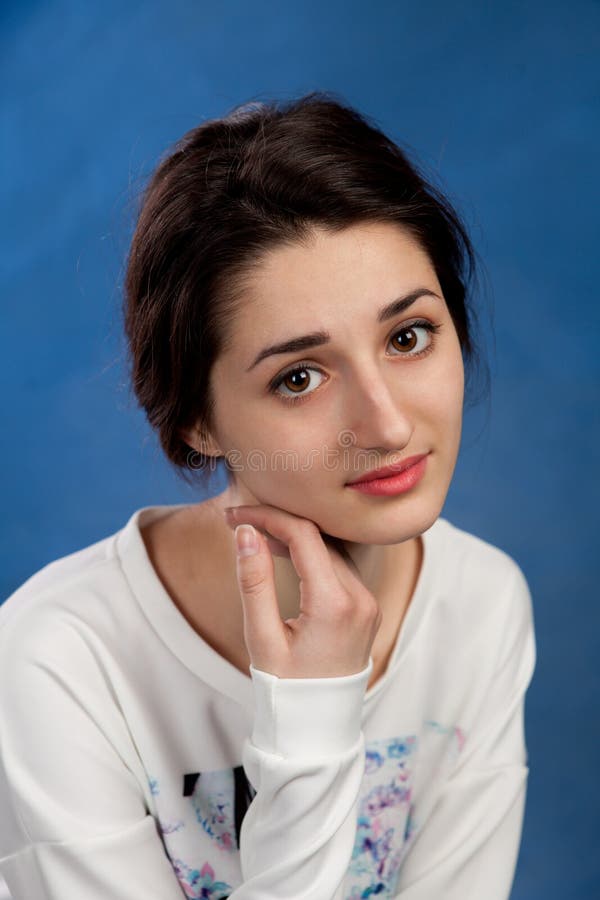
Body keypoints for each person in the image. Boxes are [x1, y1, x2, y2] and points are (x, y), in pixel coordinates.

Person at [0, 91, 536, 899]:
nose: (387, 425)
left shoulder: (481, 605)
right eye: (300, 377)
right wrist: (313, 711)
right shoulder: (57, 660)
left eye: (408, 336)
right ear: (194, 420)